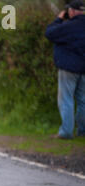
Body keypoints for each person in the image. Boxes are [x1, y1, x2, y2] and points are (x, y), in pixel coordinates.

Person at [45, 0, 85, 139]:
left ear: (72, 11)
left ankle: (66, 132)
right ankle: (82, 131)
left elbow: (50, 33)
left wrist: (59, 19)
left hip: (68, 68)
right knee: (82, 100)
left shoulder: (68, 26)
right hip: (83, 69)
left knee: (66, 99)